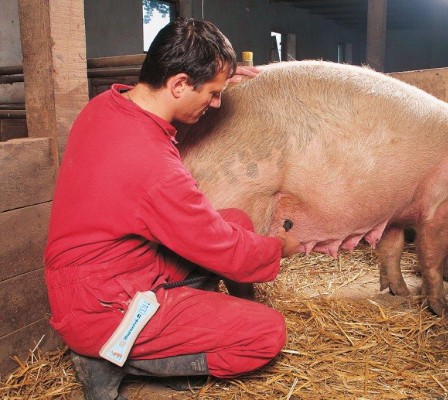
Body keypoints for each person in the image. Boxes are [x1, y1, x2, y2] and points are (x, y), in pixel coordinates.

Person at [43, 17, 301, 400]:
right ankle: (111, 359)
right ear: (179, 83)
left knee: (236, 221)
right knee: (266, 334)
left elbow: (210, 228)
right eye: (212, 94)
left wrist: (219, 76)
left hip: (108, 268)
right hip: (104, 308)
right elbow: (224, 249)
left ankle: (179, 326)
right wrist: (278, 248)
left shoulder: (106, 105)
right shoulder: (153, 168)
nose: (215, 104)